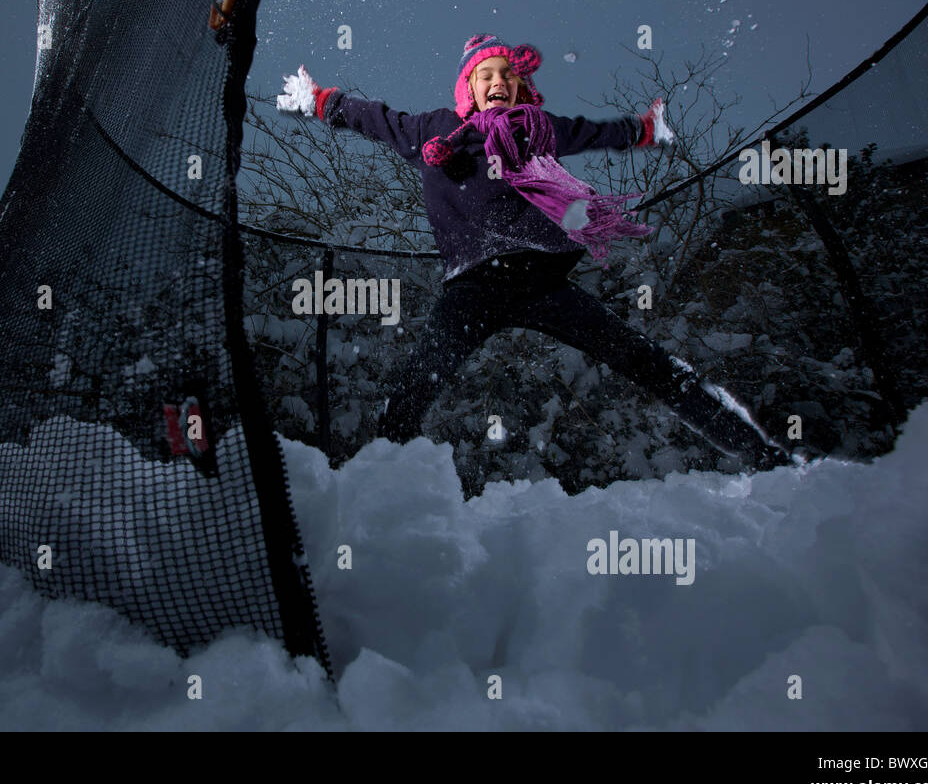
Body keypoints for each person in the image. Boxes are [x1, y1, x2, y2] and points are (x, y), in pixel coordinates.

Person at [276, 33, 791, 471]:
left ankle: (761, 454)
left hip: (541, 281)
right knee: (419, 380)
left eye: (506, 74)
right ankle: (370, 483)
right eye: (485, 76)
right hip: (474, 285)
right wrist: (321, 100)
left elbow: (592, 132)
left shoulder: (535, 132)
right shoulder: (437, 131)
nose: (497, 81)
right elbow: (378, 119)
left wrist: (643, 130)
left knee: (643, 359)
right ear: (469, 90)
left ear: (519, 85)